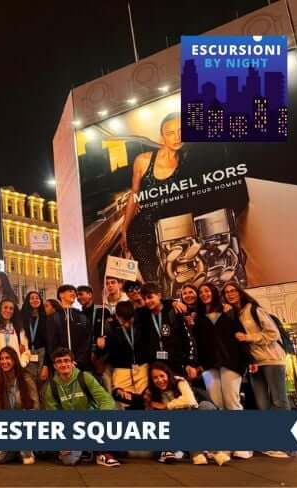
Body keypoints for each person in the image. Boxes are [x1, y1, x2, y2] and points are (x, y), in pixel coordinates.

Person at [223, 282, 290, 459]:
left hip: (271, 359)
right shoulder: (234, 314)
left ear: (240, 292)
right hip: (254, 363)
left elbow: (273, 334)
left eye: (233, 291)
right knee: (262, 404)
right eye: (227, 292)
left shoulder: (253, 309)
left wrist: (248, 337)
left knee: (279, 401)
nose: (230, 294)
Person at [120, 112, 183, 283]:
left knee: (174, 279)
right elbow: (134, 195)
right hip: (141, 232)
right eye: (170, 133)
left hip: (173, 232)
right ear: (162, 136)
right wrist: (124, 229)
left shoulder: (188, 160)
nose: (177, 137)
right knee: (153, 282)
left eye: (181, 130)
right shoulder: (143, 160)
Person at [42, 348, 120, 467]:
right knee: (69, 460)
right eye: (59, 362)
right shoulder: (51, 388)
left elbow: (106, 400)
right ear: (54, 366)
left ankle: (100, 451)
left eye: (66, 360)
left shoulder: (85, 377)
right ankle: (90, 449)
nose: (63, 364)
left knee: (115, 411)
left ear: (72, 363)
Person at [145, 362, 228, 466]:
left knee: (205, 406)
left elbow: (190, 400)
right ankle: (198, 452)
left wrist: (166, 406)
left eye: (162, 376)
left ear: (168, 374)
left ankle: (209, 451)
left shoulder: (180, 381)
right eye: (155, 378)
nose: (160, 380)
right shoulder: (151, 393)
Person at [193, 283, 251, 411]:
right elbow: (197, 343)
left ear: (214, 292)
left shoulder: (228, 311)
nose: (204, 294)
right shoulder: (198, 318)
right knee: (216, 403)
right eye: (201, 292)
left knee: (232, 402)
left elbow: (239, 335)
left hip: (231, 362)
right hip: (208, 366)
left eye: (207, 291)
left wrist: (248, 359)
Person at [0, 347, 38, 465]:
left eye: (7, 358)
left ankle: (26, 450)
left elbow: (35, 407)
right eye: (1, 359)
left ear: (14, 360)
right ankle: (13, 452)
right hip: (5, 426)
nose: (4, 361)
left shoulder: (26, 379)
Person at [138, 283, 198, 381]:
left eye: (150, 297)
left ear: (159, 296)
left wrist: (190, 363)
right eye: (144, 299)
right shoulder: (143, 315)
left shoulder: (173, 311)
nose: (147, 301)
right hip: (156, 366)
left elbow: (188, 338)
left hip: (176, 364)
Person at [98, 301, 149, 410]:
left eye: (129, 319)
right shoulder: (110, 328)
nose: (126, 323)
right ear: (117, 316)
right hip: (121, 370)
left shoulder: (142, 324)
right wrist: (101, 344)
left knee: (145, 399)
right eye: (122, 319)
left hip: (141, 368)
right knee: (121, 397)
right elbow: (107, 351)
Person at [0, 298, 30, 385]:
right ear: (0, 309)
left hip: (15, 369)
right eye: (5, 307)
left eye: (11, 308)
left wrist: (22, 364)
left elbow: (26, 350)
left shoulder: (18, 328)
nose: (8, 310)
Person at [77, 285, 112, 389]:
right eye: (77, 295)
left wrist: (104, 337)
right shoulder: (80, 315)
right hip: (86, 357)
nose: (78, 297)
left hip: (102, 356)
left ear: (90, 295)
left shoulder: (103, 310)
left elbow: (111, 332)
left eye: (81, 294)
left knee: (106, 385)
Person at [50, 284, 91, 372]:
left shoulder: (82, 316)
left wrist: (77, 362)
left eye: (74, 292)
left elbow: (87, 341)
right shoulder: (53, 317)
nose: (74, 294)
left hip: (80, 366)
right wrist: (63, 361)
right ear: (61, 295)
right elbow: (51, 343)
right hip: (61, 366)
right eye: (70, 291)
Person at [20, 291, 50, 387]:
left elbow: (49, 343)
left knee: (44, 387)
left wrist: (46, 365)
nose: (35, 300)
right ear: (27, 301)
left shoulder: (46, 317)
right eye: (32, 298)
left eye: (37, 298)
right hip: (27, 354)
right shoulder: (23, 318)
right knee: (30, 388)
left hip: (42, 354)